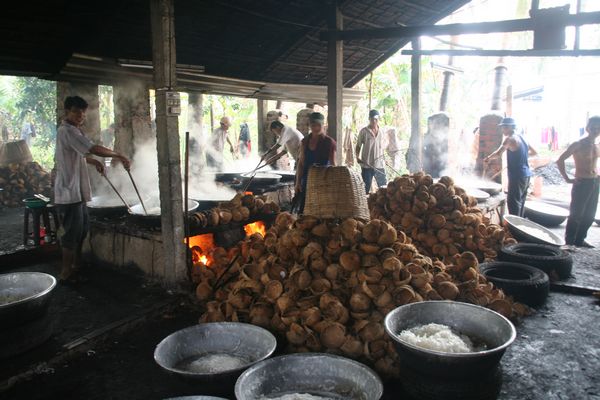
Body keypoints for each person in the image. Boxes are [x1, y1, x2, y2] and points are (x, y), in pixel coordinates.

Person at [54, 96, 130, 283]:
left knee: (81, 230)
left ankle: (76, 265)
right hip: (69, 192)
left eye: (82, 112)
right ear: (67, 112)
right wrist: (119, 155)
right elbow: (93, 148)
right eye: (76, 111)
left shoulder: (73, 130)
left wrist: (94, 162)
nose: (80, 115)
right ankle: (66, 273)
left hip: (77, 191)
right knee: (72, 234)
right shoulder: (67, 131)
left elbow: (79, 154)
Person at [557, 116, 600, 247]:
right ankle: (569, 242)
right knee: (576, 214)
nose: (596, 131)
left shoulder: (597, 145)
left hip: (595, 182)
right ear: (587, 128)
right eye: (593, 128)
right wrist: (566, 178)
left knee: (590, 215)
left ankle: (580, 240)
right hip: (582, 182)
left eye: (598, 128)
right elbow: (560, 160)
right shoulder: (578, 144)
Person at [484, 117, 537, 217]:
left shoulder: (509, 139)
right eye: (502, 127)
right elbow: (534, 152)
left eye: (505, 127)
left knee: (513, 203)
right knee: (520, 202)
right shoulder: (523, 137)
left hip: (517, 176)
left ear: (511, 127)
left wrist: (488, 158)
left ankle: (514, 225)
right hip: (526, 175)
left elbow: (498, 154)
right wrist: (521, 156)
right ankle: (519, 223)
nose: (503, 130)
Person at [294, 112, 336, 213]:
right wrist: (298, 182)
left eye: (318, 125)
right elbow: (301, 163)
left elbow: (333, 164)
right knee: (304, 209)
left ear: (323, 125)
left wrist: (333, 183)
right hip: (306, 180)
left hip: (323, 180)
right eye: (313, 125)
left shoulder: (329, 142)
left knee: (321, 210)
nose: (316, 128)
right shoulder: (305, 141)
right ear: (310, 125)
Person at [356, 109, 386, 193]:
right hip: (367, 165)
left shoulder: (381, 132)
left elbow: (382, 147)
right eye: (372, 119)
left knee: (384, 187)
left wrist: (384, 158)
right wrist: (357, 156)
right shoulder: (364, 131)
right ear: (369, 119)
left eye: (376, 119)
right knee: (365, 189)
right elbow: (358, 145)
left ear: (378, 119)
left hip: (379, 164)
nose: (374, 121)